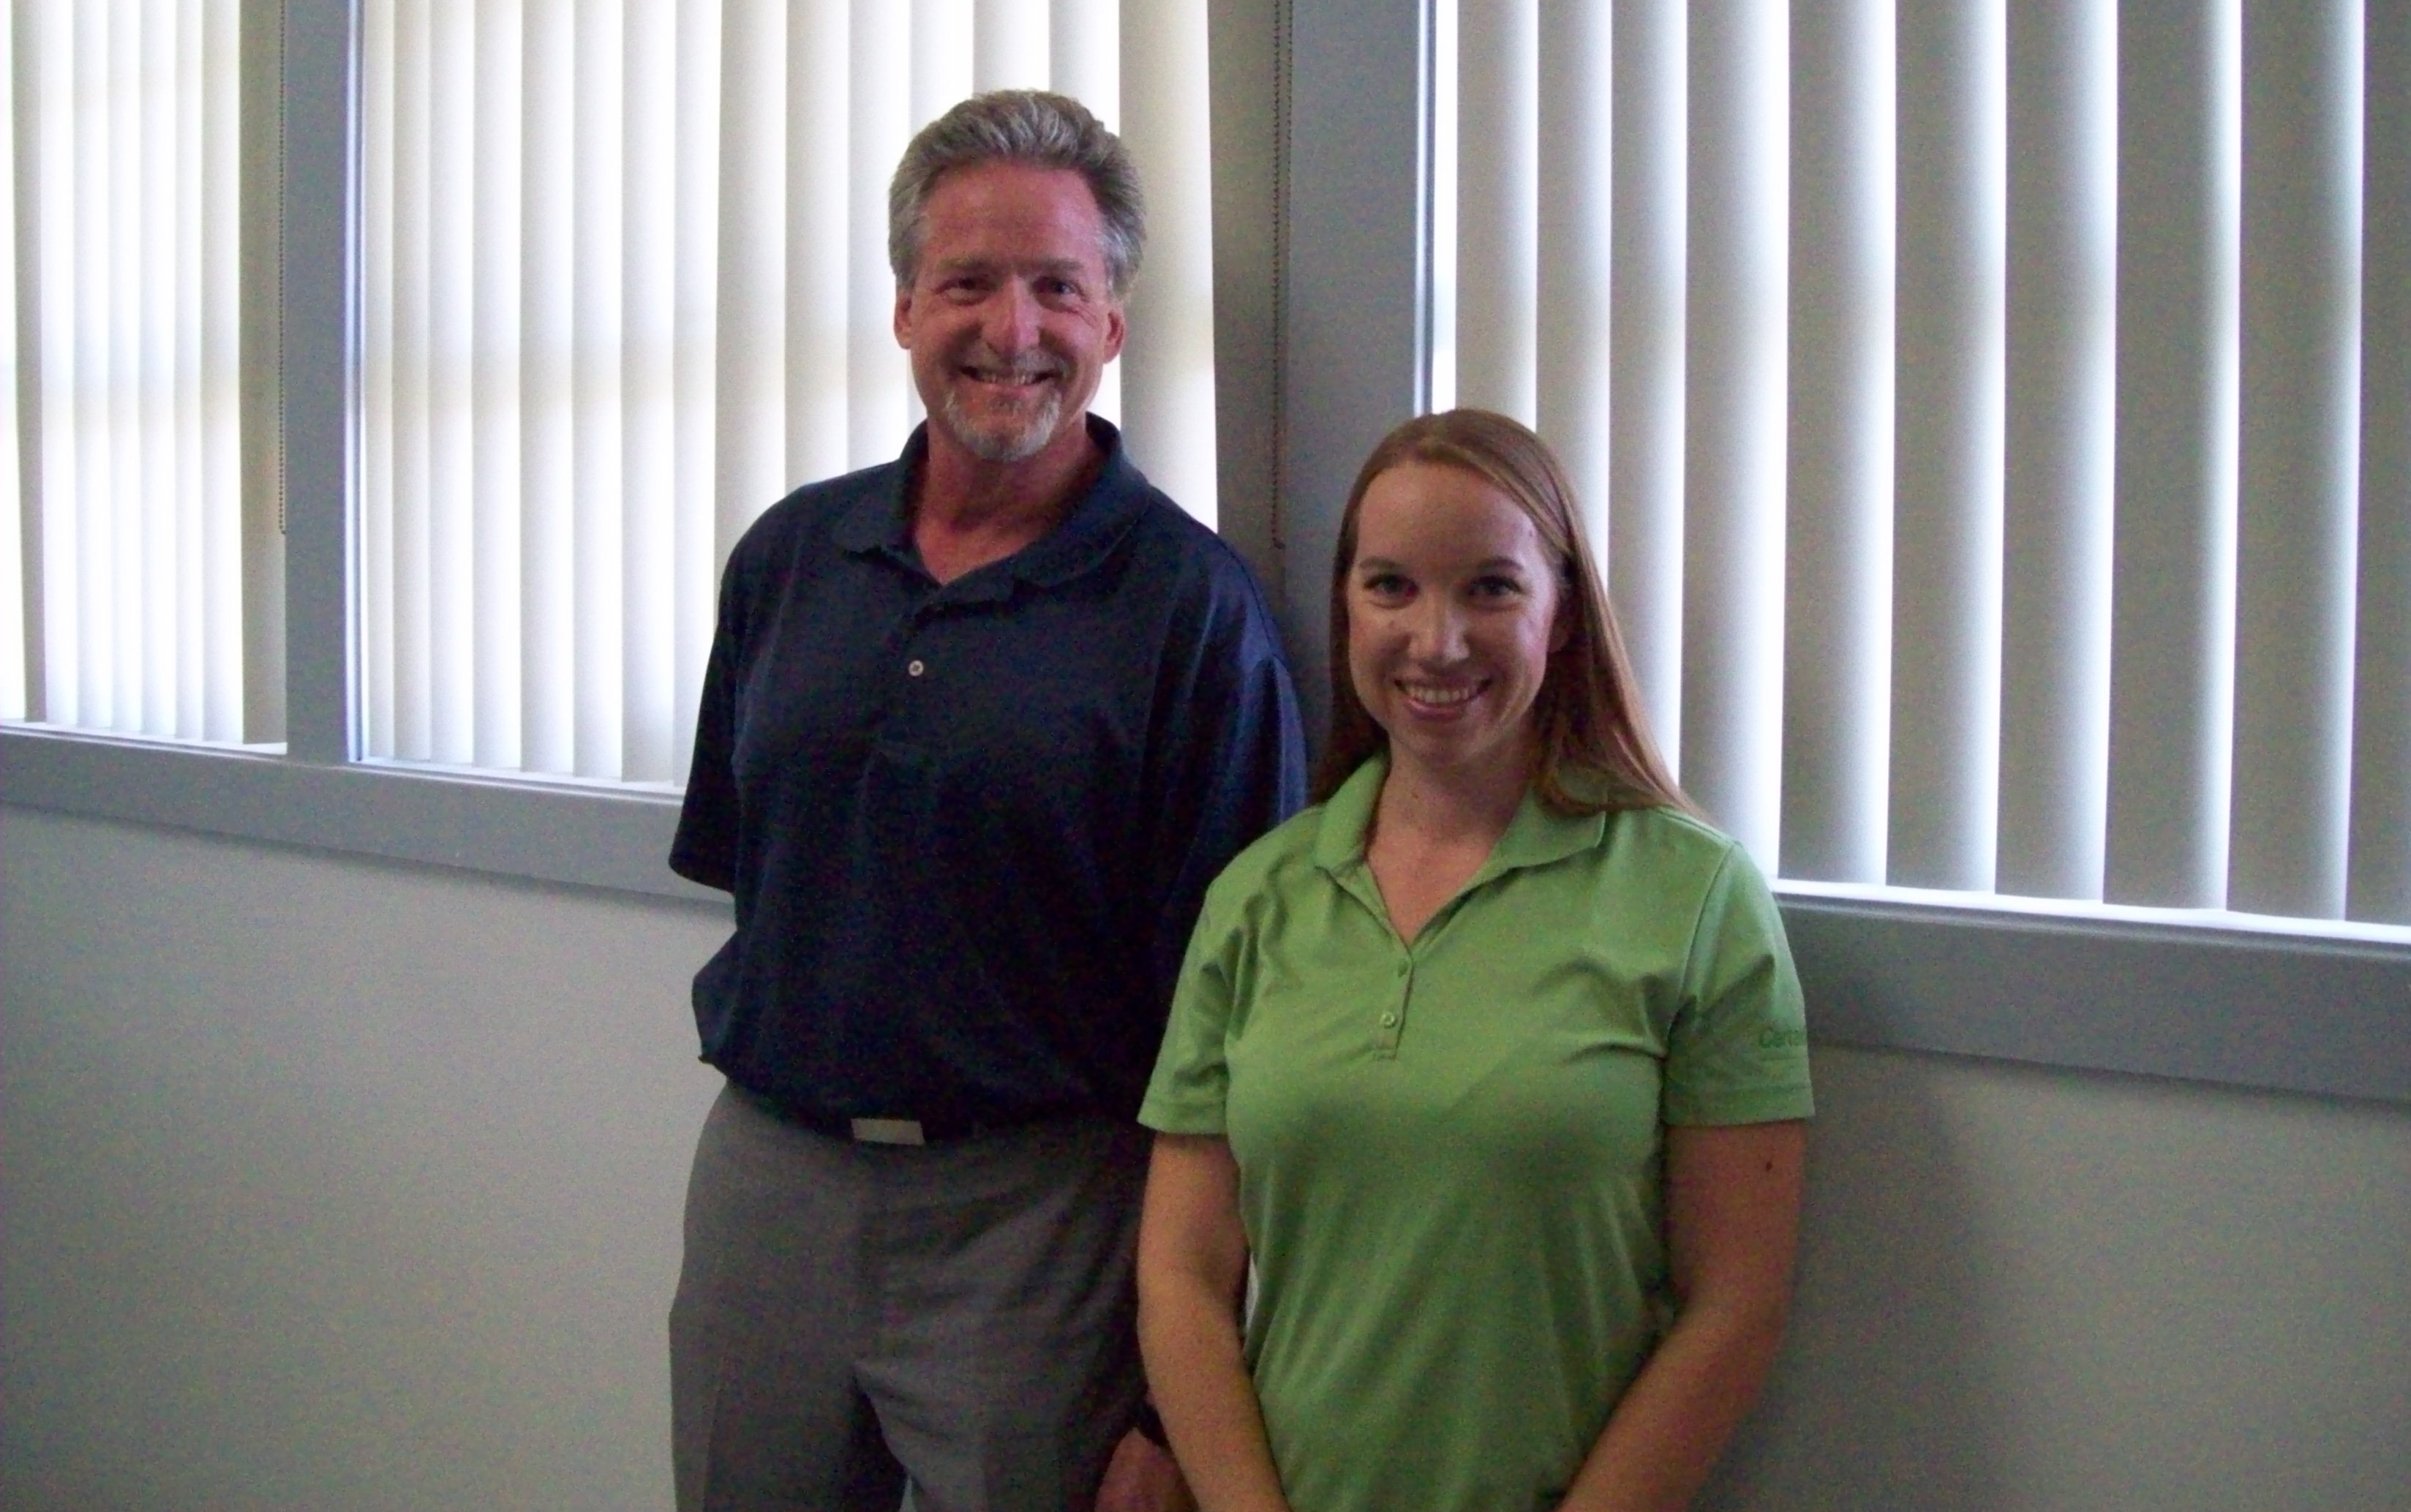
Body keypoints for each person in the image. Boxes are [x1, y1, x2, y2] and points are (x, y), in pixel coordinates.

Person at [668, 90, 1306, 1512]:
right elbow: (760, 878)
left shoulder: (1193, 614)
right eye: (967, 283)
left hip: (1040, 1217)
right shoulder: (788, 560)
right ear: (905, 308)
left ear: (1112, 325)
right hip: (770, 1180)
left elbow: (1233, 1032)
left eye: (1057, 288)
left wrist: (1173, 1395)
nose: (1011, 329)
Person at [1135, 409, 1812, 1512]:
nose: (1436, 640)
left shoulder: (1695, 898)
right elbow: (1182, 1277)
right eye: (1390, 587)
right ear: (1346, 608)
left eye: (1491, 589)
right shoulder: (1257, 898)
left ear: (1562, 615)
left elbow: (1734, 1308)